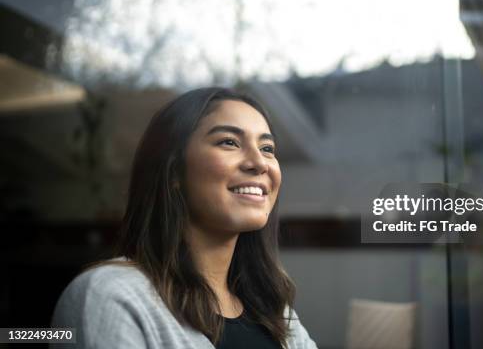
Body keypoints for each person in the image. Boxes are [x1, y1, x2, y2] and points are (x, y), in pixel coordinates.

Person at [51, 87, 318, 349]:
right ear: (174, 171)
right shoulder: (110, 295)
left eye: (267, 148)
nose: (260, 163)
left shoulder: (275, 311)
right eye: (229, 142)